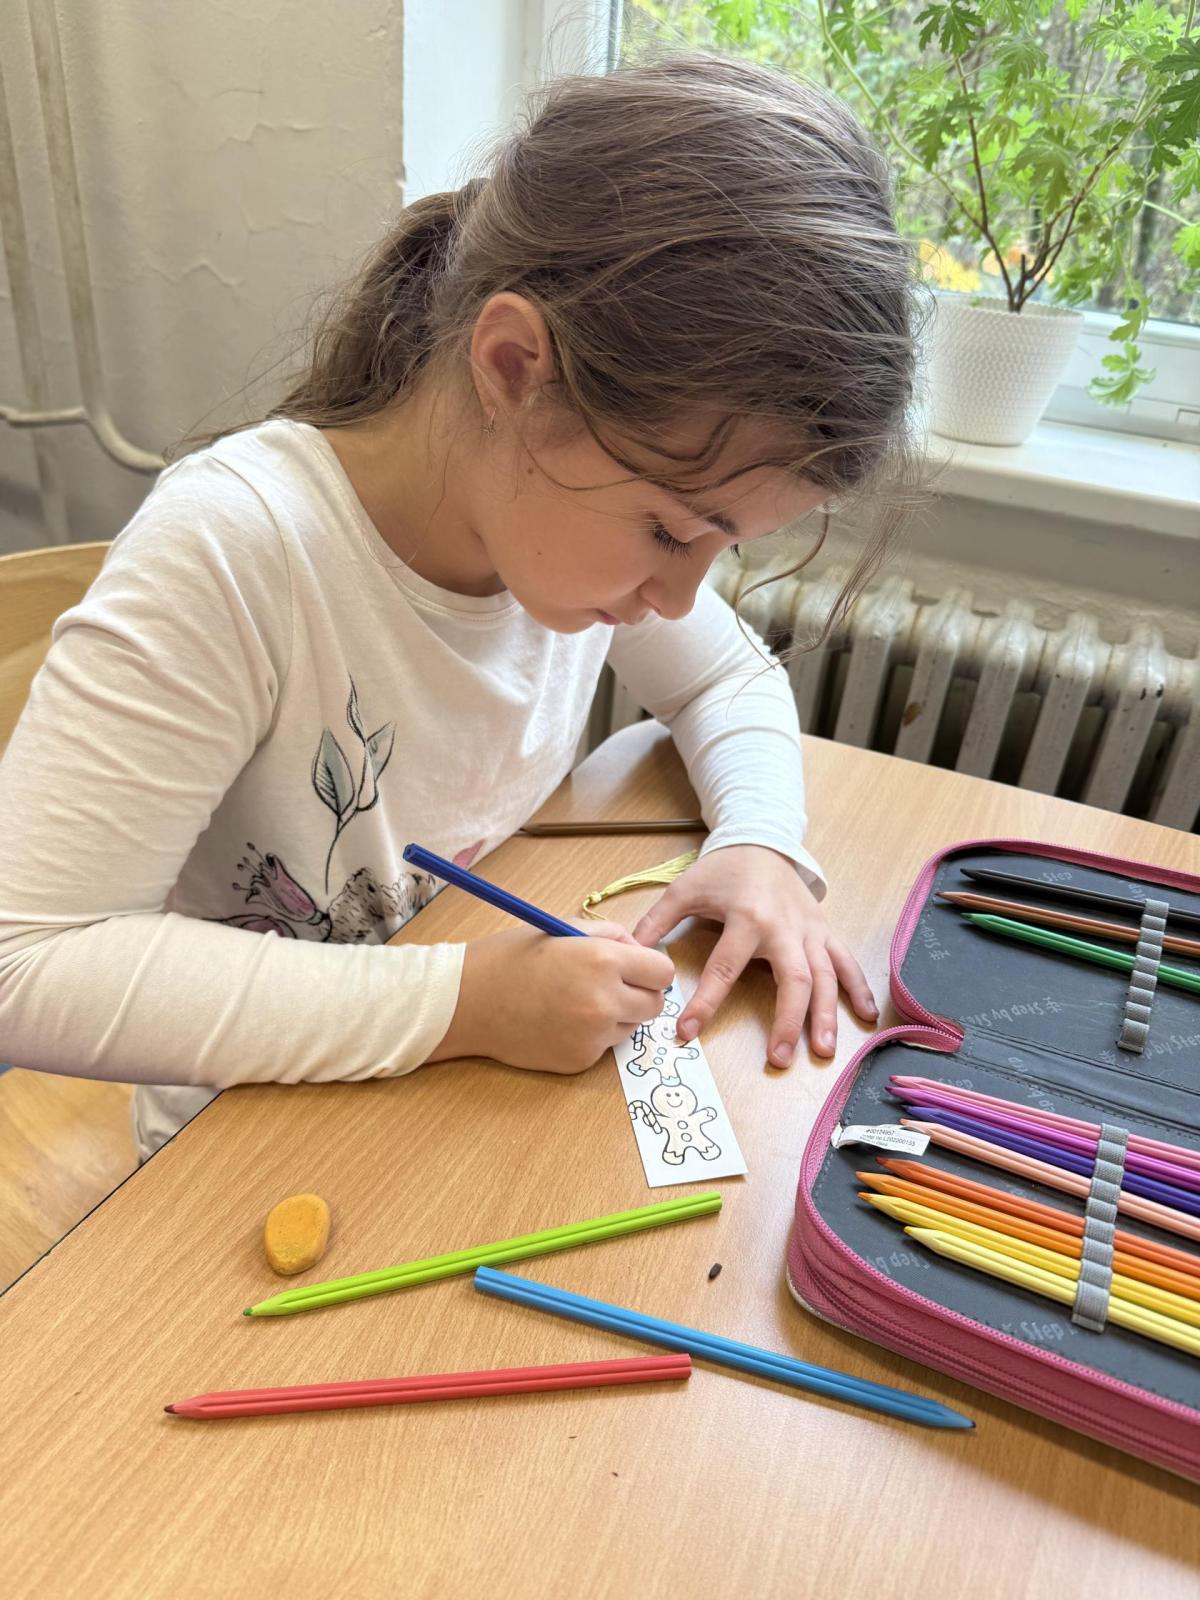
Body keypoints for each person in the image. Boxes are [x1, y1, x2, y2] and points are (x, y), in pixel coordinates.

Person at [0, 55, 922, 1161]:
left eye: (723, 545)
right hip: (248, 1141)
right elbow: (26, 962)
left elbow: (727, 675)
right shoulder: (238, 550)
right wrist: (464, 1003)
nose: (676, 597)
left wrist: (762, 841)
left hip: (466, 1088)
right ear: (514, 368)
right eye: (673, 531)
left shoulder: (547, 519)